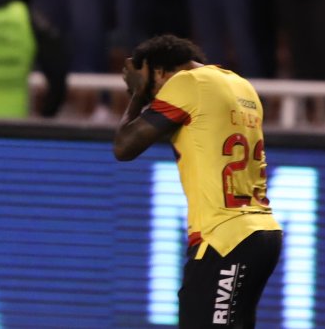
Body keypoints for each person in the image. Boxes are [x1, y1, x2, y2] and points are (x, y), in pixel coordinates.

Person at [113, 35, 282, 327]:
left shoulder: (187, 83)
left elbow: (124, 147)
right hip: (261, 233)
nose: (157, 102)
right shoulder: (240, 85)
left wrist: (138, 96)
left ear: (160, 71)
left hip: (225, 237)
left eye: (153, 89)